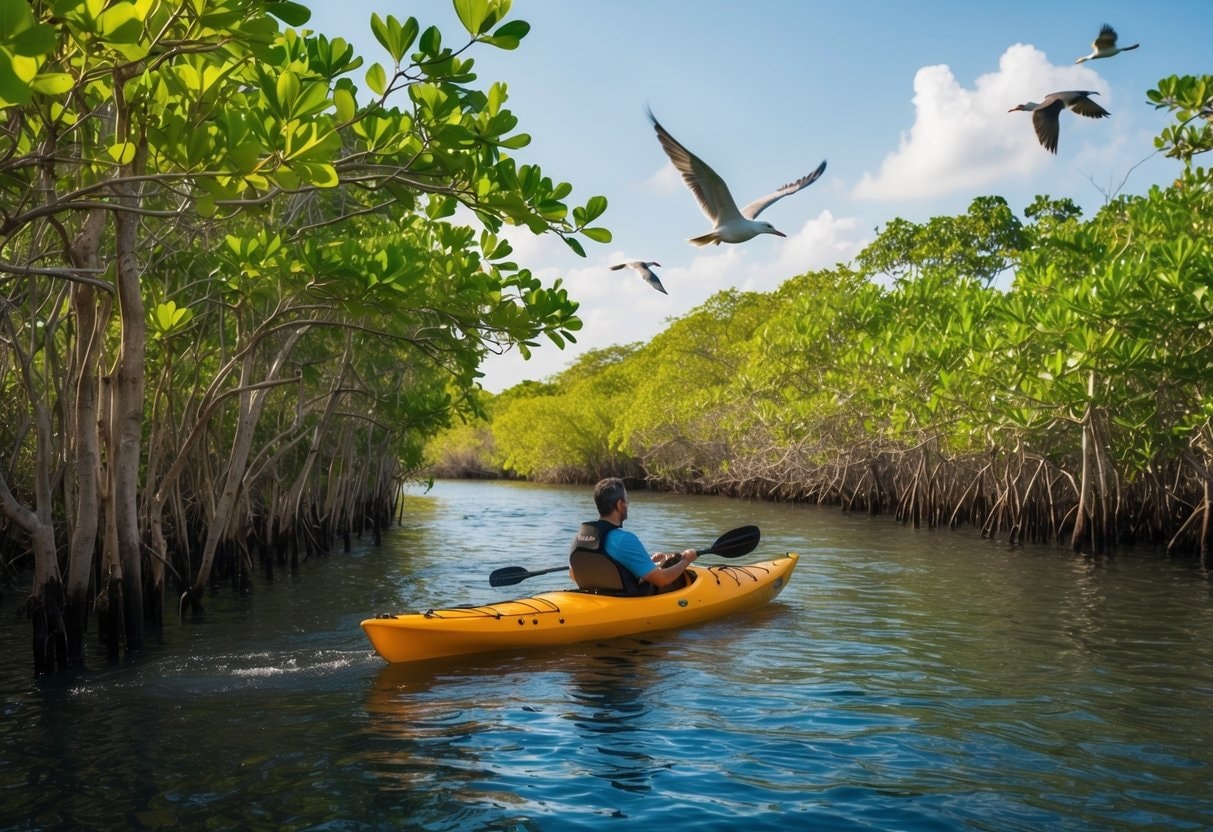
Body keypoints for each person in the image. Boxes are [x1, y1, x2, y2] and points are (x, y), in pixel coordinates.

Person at [569, 477, 698, 595]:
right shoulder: (624, 539)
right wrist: (687, 560)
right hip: (628, 603)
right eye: (627, 500)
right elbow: (662, 580)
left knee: (666, 564)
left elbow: (574, 575)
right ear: (620, 505)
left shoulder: (579, 537)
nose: (628, 504)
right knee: (674, 564)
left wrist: (649, 564)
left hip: (596, 598)